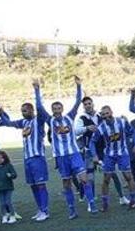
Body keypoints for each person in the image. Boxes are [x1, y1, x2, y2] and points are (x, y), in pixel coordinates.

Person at [35, 76, 98, 218]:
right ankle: (71, 210)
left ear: (62, 109)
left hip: (74, 154)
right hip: (62, 157)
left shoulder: (69, 117)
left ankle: (92, 203)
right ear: (52, 110)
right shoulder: (49, 120)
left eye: (59, 108)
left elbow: (77, 101)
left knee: (84, 179)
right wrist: (37, 90)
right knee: (66, 184)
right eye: (54, 108)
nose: (57, 110)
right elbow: (39, 107)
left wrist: (79, 86)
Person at [0, 99, 51, 221]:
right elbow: (8, 123)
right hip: (27, 158)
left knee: (40, 185)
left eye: (25, 110)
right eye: (21, 111)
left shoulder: (39, 120)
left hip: (37, 157)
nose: (23, 113)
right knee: (33, 186)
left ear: (31, 110)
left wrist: (36, 90)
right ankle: (40, 209)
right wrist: (0, 112)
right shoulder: (23, 122)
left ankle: (45, 210)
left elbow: (40, 108)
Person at [77, 95, 127, 207]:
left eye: (89, 103)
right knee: (90, 177)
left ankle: (122, 197)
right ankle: (91, 202)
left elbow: (112, 123)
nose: (88, 105)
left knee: (113, 174)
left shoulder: (101, 116)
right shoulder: (82, 118)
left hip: (104, 150)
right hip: (89, 151)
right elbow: (75, 131)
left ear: (93, 104)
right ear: (83, 106)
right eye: (85, 104)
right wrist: (86, 128)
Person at [92, 106, 135, 211]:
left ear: (111, 112)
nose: (105, 116)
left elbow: (133, 131)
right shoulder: (101, 127)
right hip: (109, 155)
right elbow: (92, 141)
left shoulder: (121, 122)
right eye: (103, 114)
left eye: (107, 113)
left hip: (123, 153)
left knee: (128, 176)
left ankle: (133, 201)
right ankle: (105, 204)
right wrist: (94, 154)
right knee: (106, 179)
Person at [0, 150, 18, 223]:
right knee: (2, 203)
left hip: (8, 187)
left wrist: (10, 175)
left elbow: (14, 174)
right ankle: (4, 215)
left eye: (2, 158)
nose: (0, 160)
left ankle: (12, 215)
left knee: (8, 202)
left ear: (5, 158)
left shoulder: (8, 166)